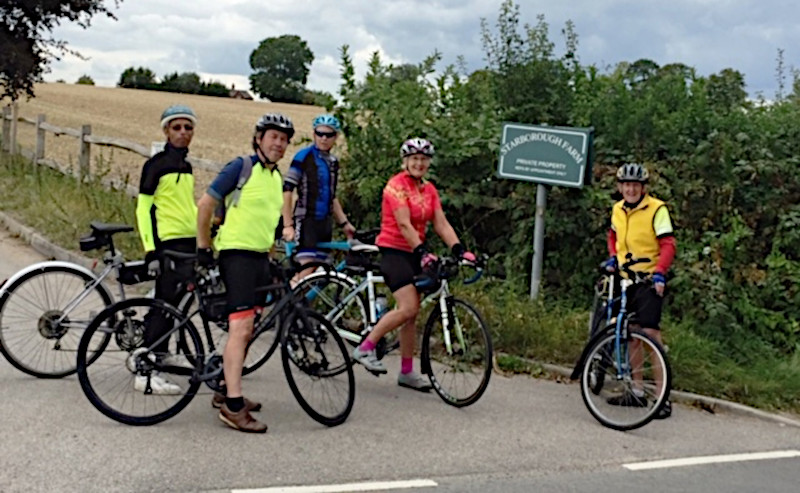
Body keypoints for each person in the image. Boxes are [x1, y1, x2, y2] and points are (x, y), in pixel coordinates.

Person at [350, 137, 476, 391]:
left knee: (412, 315)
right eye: (414, 159)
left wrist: (460, 249)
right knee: (408, 308)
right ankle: (365, 348)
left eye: (424, 159)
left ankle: (407, 372)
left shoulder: (428, 189)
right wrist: (422, 251)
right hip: (394, 250)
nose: (419, 163)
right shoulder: (395, 186)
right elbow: (404, 223)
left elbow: (440, 223)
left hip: (415, 252)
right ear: (405, 161)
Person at [196, 113, 293, 433]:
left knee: (251, 328)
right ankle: (233, 407)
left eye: (284, 139)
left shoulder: (276, 178)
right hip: (236, 256)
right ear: (259, 138)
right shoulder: (241, 167)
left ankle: (226, 388)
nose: (279, 143)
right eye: (273, 137)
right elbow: (206, 204)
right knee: (241, 328)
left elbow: (269, 220)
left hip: (260, 259)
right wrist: (203, 246)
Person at [603, 162, 676, 419]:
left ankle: (661, 395)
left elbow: (667, 243)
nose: (630, 189)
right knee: (631, 334)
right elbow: (612, 236)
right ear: (620, 187)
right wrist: (613, 257)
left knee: (651, 335)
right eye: (626, 185)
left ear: (643, 187)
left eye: (635, 185)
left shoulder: (657, 209)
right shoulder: (617, 209)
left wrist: (660, 271)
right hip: (625, 277)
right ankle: (636, 390)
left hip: (648, 279)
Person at [134, 104, 199, 395]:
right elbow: (144, 208)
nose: (183, 133)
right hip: (167, 244)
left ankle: (159, 354)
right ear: (166, 131)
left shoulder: (186, 166)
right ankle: (146, 369)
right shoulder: (156, 165)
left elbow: (185, 206)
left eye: (188, 128)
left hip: (188, 242)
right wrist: (151, 249)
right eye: (177, 127)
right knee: (163, 303)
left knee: (175, 303)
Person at [281, 114, 355, 280]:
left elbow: (332, 196)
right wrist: (288, 225)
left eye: (329, 135)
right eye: (320, 133)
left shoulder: (333, 162)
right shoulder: (303, 157)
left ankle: (303, 304)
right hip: (306, 219)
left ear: (335, 137)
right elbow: (287, 189)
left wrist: (345, 224)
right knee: (307, 268)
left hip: (325, 222)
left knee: (319, 273)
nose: (324, 138)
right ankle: (288, 304)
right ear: (314, 134)